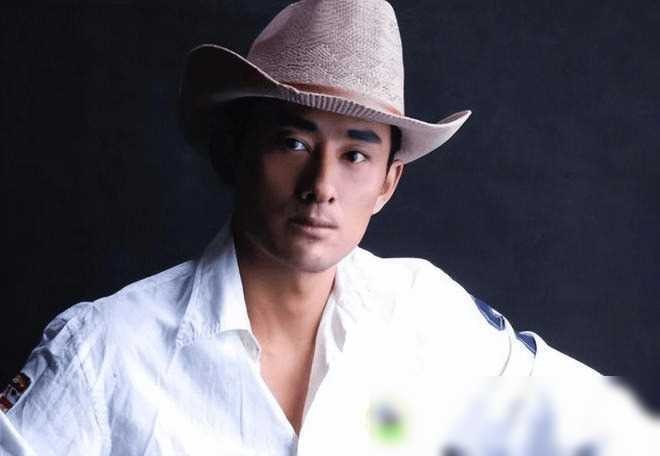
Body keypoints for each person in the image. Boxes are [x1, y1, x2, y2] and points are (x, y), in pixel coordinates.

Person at [1, 0, 657, 454]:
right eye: (293, 142)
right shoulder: (106, 349)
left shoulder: (425, 313)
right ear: (236, 153)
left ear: (388, 184)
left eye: (356, 155)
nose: (322, 185)